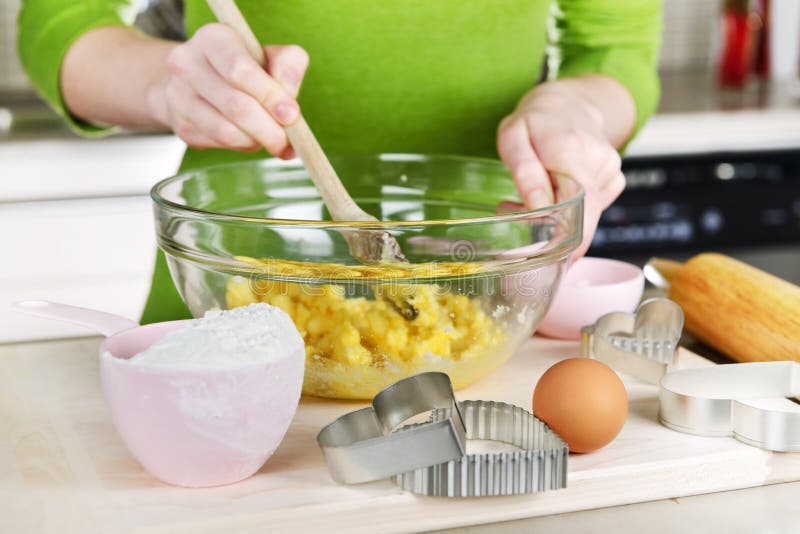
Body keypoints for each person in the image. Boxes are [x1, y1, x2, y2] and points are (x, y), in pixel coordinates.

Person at [18, 0, 661, 323]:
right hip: (218, 312)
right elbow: (57, 23)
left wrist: (575, 110)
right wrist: (165, 83)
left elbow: (616, 51)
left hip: (483, 307)